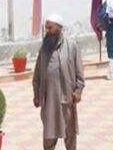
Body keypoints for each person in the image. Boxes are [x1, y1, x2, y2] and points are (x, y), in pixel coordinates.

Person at [33, 15, 85, 150]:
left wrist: (78, 91)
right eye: (46, 28)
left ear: (59, 28)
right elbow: (37, 74)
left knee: (70, 135)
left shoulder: (71, 46)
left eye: (50, 28)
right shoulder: (44, 49)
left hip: (67, 99)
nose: (47, 31)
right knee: (49, 136)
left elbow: (80, 73)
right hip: (49, 100)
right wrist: (36, 94)